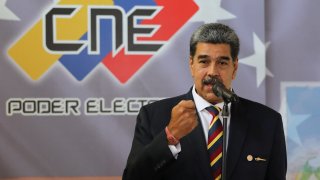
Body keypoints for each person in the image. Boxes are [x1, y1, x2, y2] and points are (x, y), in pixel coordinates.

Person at [122, 23, 287, 180]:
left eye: (222, 63)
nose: (212, 72)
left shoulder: (267, 122)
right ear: (191, 64)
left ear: (235, 68)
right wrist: (171, 136)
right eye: (204, 62)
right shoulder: (154, 116)